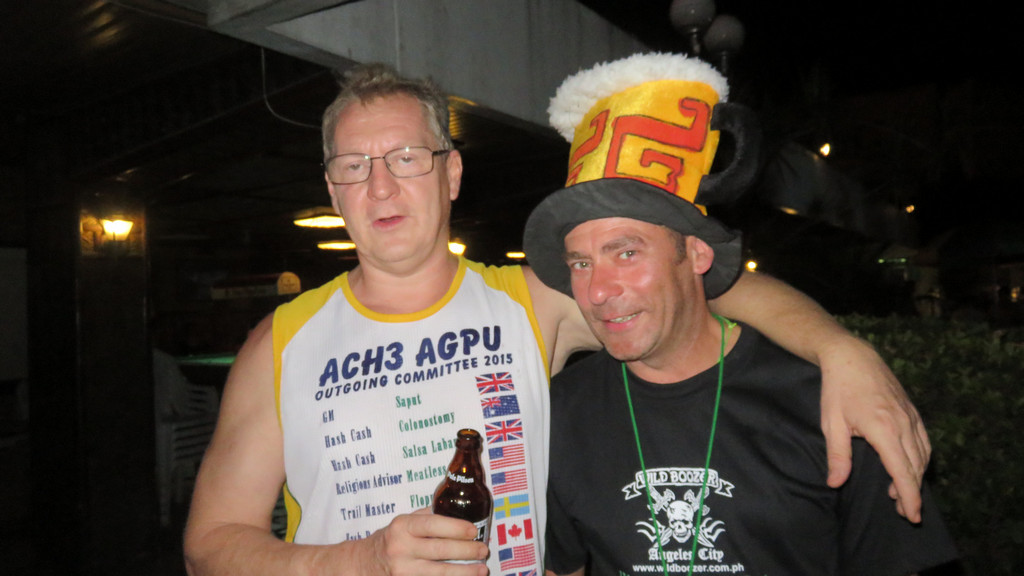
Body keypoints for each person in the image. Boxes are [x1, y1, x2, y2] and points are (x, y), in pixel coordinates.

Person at [183, 62, 931, 576]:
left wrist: (841, 351)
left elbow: (696, 282)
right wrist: (360, 561)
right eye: (353, 166)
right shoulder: (282, 342)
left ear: (451, 172)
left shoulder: (532, 301)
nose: (379, 186)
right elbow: (209, 546)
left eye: (406, 157)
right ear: (332, 189)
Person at [523, 53, 958, 575]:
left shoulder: (830, 401)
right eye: (581, 263)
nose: (597, 291)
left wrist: (842, 348)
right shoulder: (561, 412)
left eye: (628, 252)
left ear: (697, 255)